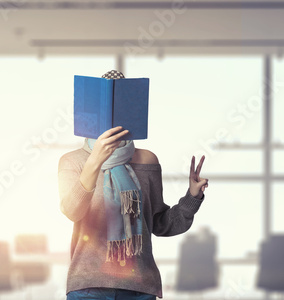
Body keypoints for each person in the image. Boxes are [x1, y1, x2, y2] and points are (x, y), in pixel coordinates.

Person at [58, 70, 209, 300]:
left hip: (139, 286)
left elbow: (159, 223)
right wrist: (95, 161)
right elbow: (72, 211)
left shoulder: (147, 160)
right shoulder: (73, 160)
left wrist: (192, 197)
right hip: (88, 286)